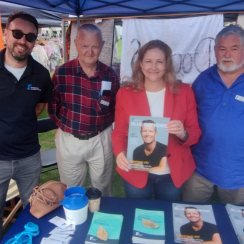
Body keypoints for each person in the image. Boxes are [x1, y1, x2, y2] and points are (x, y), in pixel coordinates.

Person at [111, 40, 201, 200]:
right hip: (136, 170)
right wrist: (120, 153)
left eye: (159, 62)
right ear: (140, 64)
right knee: (137, 215)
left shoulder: (185, 92)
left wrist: (183, 133)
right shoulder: (125, 94)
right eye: (148, 61)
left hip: (171, 173)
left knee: (167, 218)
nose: (153, 67)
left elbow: (195, 133)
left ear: (167, 65)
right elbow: (119, 133)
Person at [47, 24, 120, 196]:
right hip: (70, 141)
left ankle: (102, 221)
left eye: (95, 46)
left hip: (101, 140)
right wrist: (65, 128)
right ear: (76, 44)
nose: (89, 51)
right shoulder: (62, 73)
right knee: (72, 192)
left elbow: (116, 107)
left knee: (102, 191)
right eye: (85, 46)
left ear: (102, 45)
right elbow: (52, 107)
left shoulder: (110, 75)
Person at [0, 12, 52, 238]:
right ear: (5, 34)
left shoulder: (41, 74)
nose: (23, 41)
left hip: (29, 157)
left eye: (30, 37)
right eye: (17, 33)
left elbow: (38, 107)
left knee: (34, 212)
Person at [182, 25, 244, 205]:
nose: (227, 54)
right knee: (191, 214)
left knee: (236, 225)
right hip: (200, 167)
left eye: (234, 48)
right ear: (215, 50)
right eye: (222, 48)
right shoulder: (203, 80)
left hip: (238, 172)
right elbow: (190, 119)